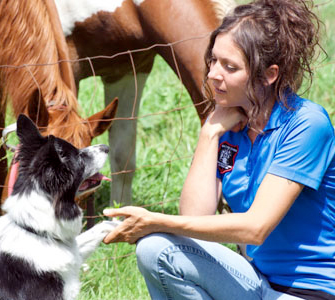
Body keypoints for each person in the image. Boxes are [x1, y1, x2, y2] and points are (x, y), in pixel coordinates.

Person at [103, 0, 335, 299]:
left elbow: (256, 228)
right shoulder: (229, 128)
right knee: (155, 249)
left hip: (311, 291)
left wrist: (157, 220)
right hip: (255, 280)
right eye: (213, 60)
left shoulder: (306, 124)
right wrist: (210, 132)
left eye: (230, 67)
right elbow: (195, 218)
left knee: (157, 234)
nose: (213, 74)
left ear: (269, 74)